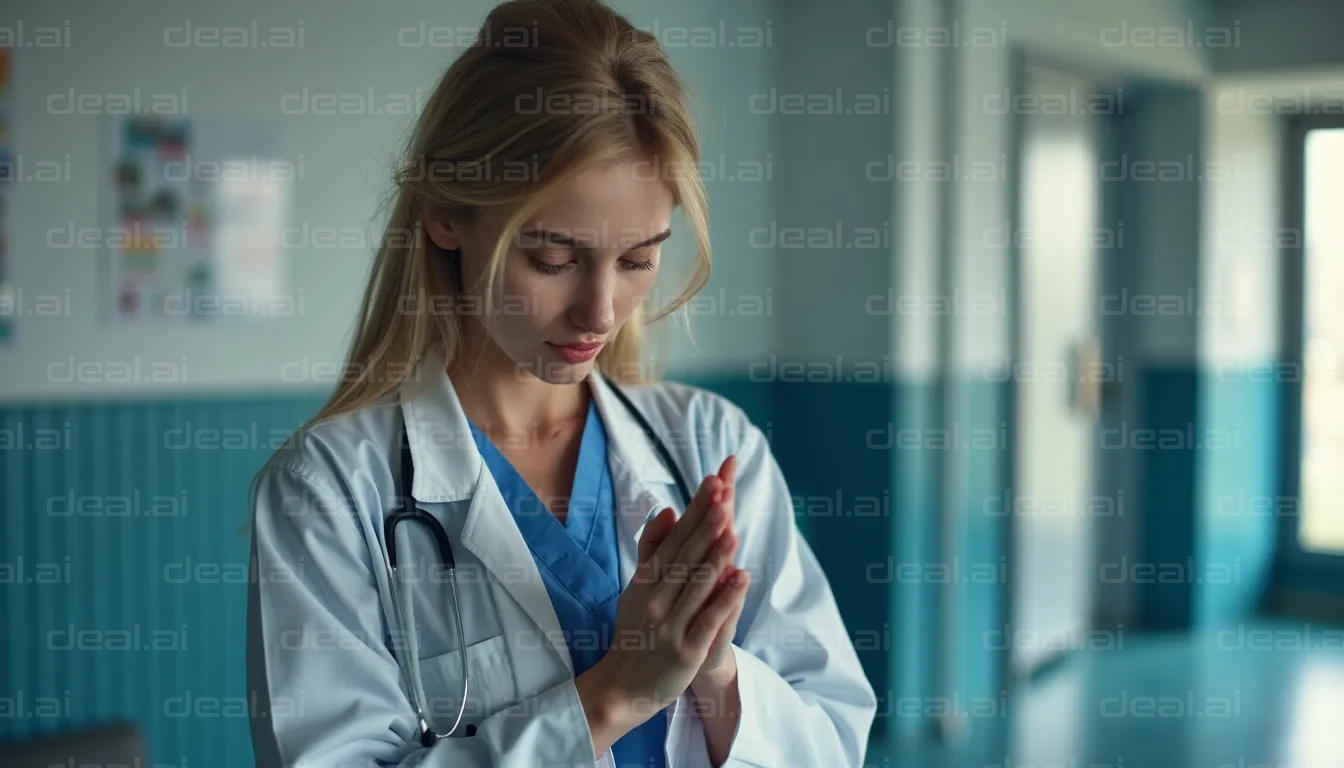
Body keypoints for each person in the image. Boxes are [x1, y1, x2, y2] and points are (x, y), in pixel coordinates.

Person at [245, 0, 877, 766]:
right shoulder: (333, 489)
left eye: (640, 258)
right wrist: (618, 692)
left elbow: (833, 738)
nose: (600, 311)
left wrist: (712, 667)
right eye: (552, 259)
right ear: (448, 214)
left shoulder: (711, 444)